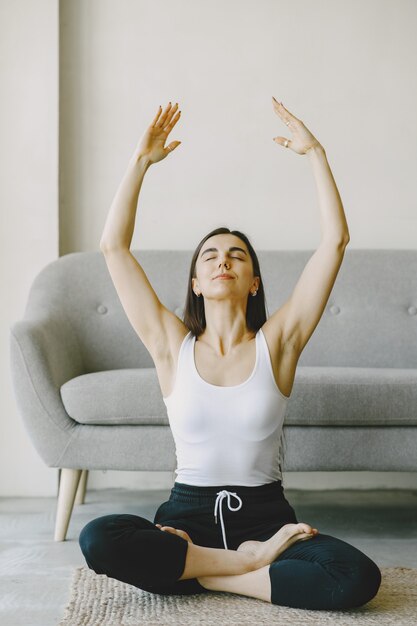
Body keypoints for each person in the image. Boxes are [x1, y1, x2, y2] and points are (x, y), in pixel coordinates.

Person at [79, 100, 382, 610]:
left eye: (237, 255)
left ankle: (198, 573)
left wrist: (317, 155)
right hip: (185, 519)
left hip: (267, 519)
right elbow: (114, 246)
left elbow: (335, 241)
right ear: (196, 283)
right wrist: (140, 161)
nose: (224, 261)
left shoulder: (278, 343)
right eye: (211, 256)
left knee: (357, 578)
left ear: (254, 280)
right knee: (99, 538)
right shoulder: (170, 346)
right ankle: (245, 565)